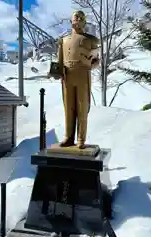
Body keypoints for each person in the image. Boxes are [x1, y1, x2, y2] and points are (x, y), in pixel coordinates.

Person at [56, 10, 100, 149]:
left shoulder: (91, 40)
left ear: (84, 22)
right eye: (76, 17)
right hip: (67, 76)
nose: (78, 19)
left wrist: (89, 63)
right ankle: (68, 137)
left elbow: (97, 61)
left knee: (82, 107)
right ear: (71, 20)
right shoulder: (63, 40)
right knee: (69, 108)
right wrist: (58, 72)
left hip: (82, 75)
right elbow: (60, 60)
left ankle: (81, 138)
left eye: (81, 18)